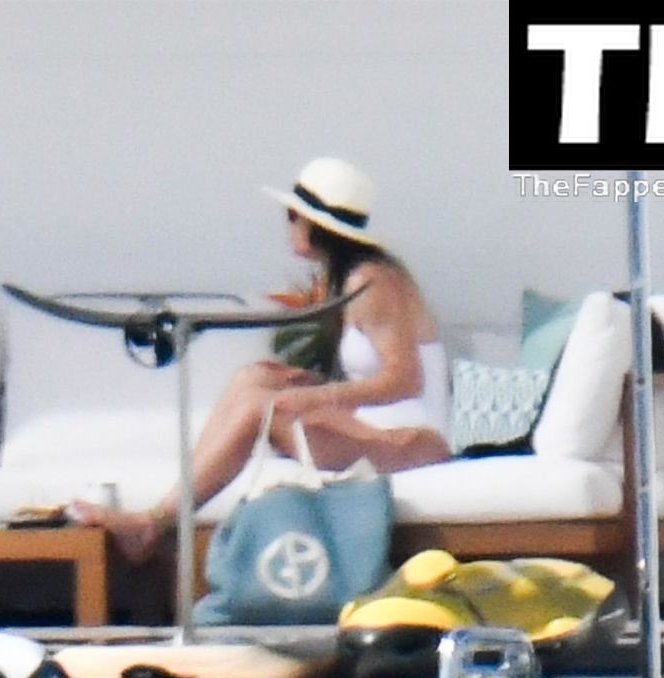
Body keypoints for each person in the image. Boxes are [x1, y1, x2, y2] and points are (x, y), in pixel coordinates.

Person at [73, 157, 452, 563]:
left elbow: (405, 380)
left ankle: (152, 524)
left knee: (261, 407)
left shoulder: (372, 282)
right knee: (252, 379)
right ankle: (172, 512)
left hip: (412, 440)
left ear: (316, 225)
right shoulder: (350, 277)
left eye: (293, 215)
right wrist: (305, 383)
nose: (288, 225)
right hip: (376, 426)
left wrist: (317, 397)